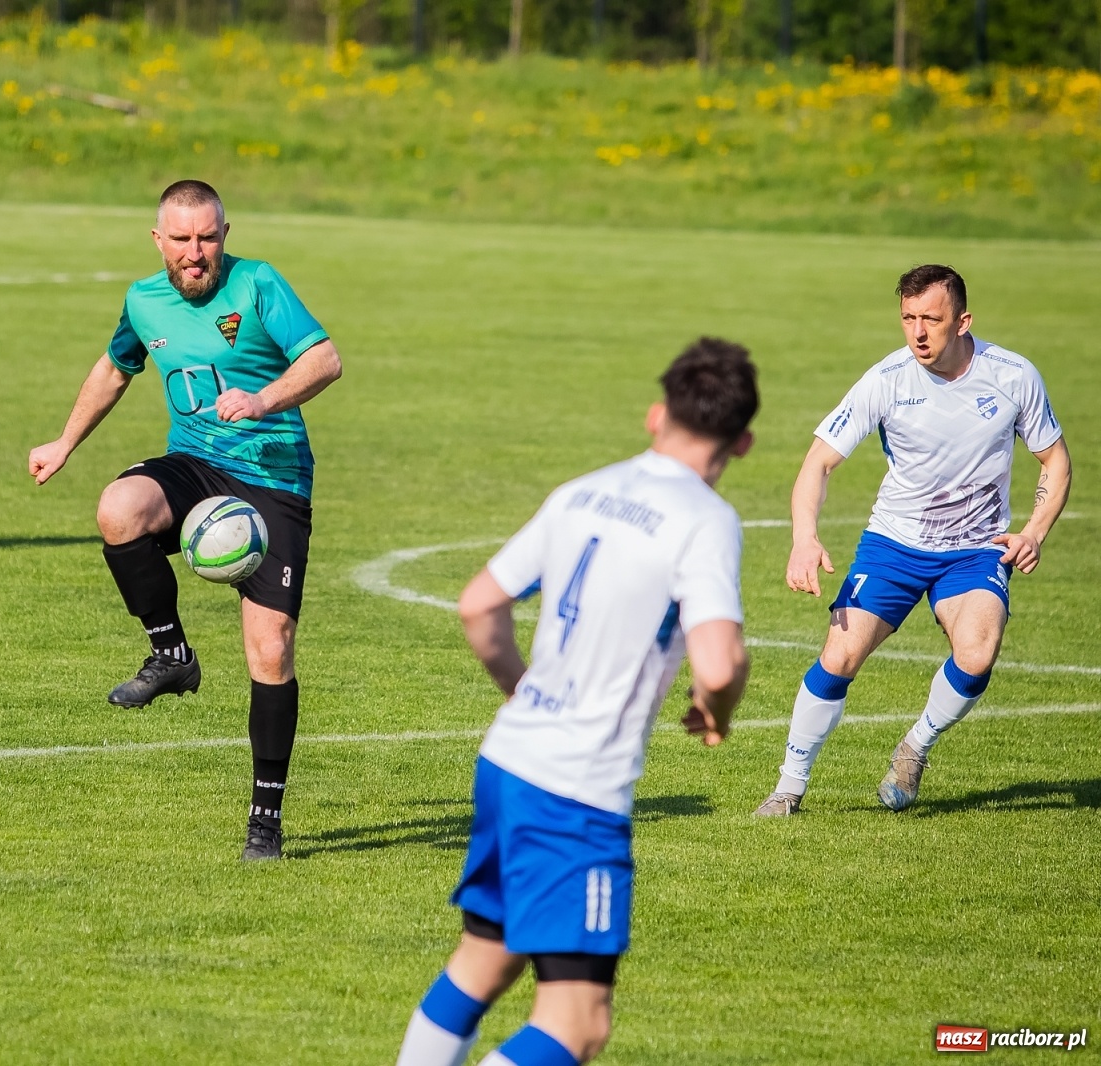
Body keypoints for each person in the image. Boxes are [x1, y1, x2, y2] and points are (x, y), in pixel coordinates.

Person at [396, 340, 757, 1066]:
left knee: (483, 963)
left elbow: (478, 607)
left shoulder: (581, 491)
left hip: (507, 761)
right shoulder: (705, 520)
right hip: (575, 793)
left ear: (657, 415)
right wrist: (717, 712)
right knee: (577, 1026)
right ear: (743, 442)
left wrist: (523, 692)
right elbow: (720, 663)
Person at [28, 179, 343, 861]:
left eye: (207, 238)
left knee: (271, 652)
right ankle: (171, 655)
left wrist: (263, 399)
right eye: (181, 240)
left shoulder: (258, 284)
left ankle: (265, 819)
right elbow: (116, 370)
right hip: (195, 465)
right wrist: (63, 441)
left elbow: (325, 359)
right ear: (158, 240)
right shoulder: (144, 300)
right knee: (119, 508)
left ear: (225, 235)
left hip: (272, 477)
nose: (195, 253)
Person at [755, 265, 1070, 817]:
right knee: (840, 653)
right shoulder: (887, 379)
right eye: (908, 318)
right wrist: (804, 539)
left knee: (976, 653)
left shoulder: (1013, 376)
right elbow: (819, 462)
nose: (918, 332)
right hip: (893, 545)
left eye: (932, 319)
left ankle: (915, 747)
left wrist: (1035, 532)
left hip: (974, 550)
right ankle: (788, 787)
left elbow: (1055, 459)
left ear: (963, 321)